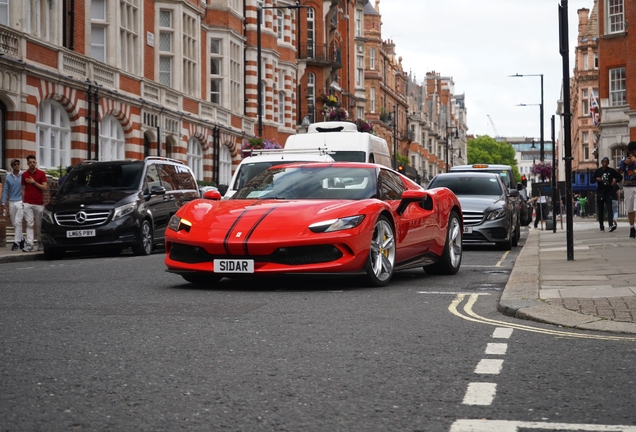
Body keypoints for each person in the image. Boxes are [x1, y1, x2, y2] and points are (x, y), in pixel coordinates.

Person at [21, 154, 47, 252]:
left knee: (40, 224)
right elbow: (23, 188)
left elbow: (44, 187)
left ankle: (40, 242)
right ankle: (30, 244)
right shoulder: (24, 175)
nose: (32, 164)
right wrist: (23, 201)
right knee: (29, 223)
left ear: (36, 163)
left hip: (39, 203)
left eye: (33, 162)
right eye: (30, 162)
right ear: (27, 164)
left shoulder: (41, 174)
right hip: (28, 202)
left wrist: (33, 182)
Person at [592, 156, 622, 232]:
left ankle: (610, 225)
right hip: (600, 192)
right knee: (601, 210)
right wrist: (596, 179)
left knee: (609, 209)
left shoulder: (611, 171)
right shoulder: (598, 171)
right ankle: (601, 225)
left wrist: (614, 181)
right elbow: (591, 180)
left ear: (608, 163)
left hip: (608, 192)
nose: (605, 163)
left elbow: (620, 177)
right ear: (601, 163)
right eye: (603, 162)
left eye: (606, 162)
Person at [2, 159, 25, 250]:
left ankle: (16, 243)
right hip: (12, 201)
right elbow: (5, 190)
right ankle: (22, 238)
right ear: (12, 166)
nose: (16, 165)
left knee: (18, 222)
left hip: (21, 201)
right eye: (14, 164)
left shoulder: (24, 176)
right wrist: (3, 202)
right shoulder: (8, 177)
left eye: (18, 164)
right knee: (14, 222)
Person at [618, 141, 636, 238]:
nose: (631, 154)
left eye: (633, 152)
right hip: (628, 186)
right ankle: (632, 228)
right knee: (630, 208)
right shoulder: (624, 160)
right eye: (630, 152)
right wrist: (625, 163)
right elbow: (619, 171)